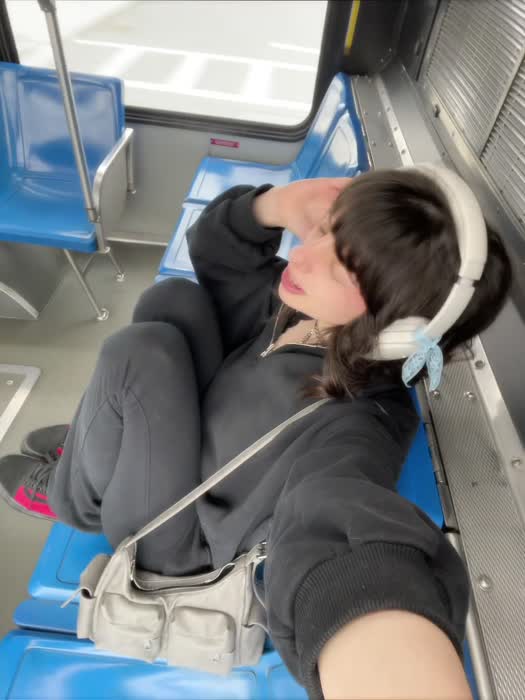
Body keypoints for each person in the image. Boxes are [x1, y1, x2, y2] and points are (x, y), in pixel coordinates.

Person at [0, 168, 511, 699]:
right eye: (326, 231)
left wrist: (371, 624)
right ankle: (100, 445)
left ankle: (73, 495)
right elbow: (217, 250)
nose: (305, 258)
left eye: (342, 270)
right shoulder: (302, 314)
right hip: (194, 453)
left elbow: (337, 516)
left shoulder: (359, 418)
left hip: (179, 538)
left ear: (399, 327)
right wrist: (278, 205)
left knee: (137, 356)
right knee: (174, 301)